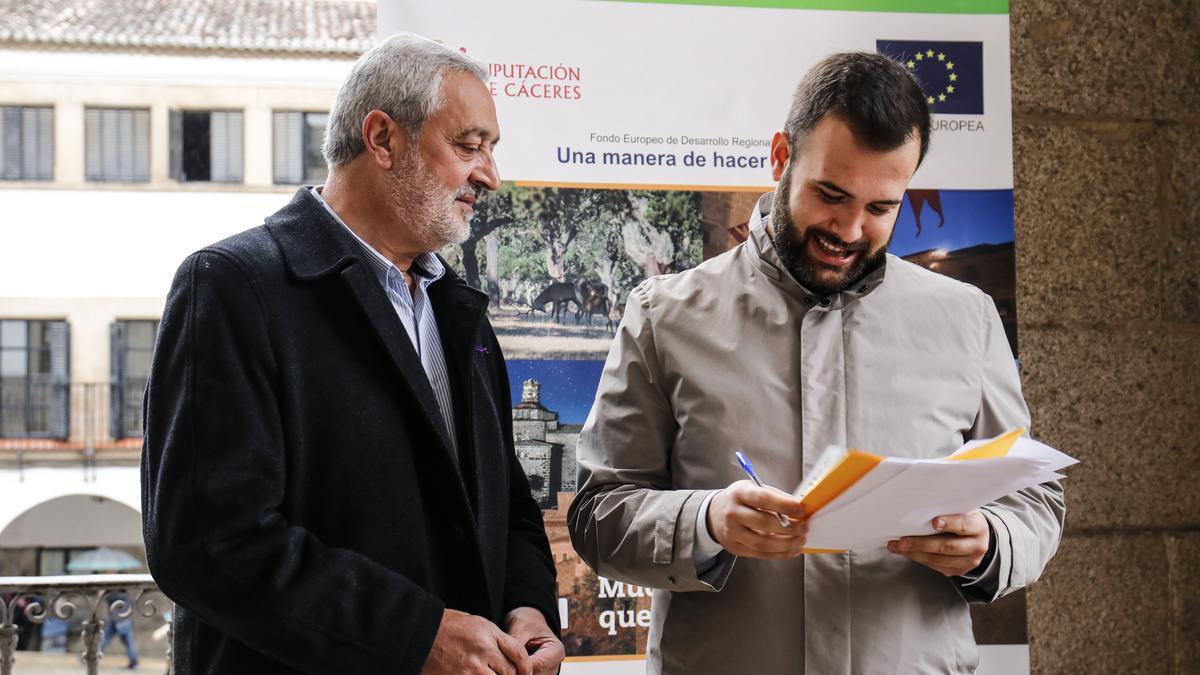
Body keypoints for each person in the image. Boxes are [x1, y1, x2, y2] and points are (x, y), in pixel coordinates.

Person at [567, 52, 1065, 674]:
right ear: (780, 158)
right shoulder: (665, 314)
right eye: (830, 195)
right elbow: (597, 513)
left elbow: (1034, 499)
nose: (851, 228)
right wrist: (706, 521)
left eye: (881, 207)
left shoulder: (966, 317)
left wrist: (991, 542)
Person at [142, 33, 564, 675]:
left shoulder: (459, 311)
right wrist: (418, 636)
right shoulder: (232, 285)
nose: (490, 175)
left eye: (491, 149)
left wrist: (528, 608)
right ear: (383, 139)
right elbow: (207, 543)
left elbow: (506, 505)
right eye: (469, 145)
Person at [100, 592, 138, 670]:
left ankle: (133, 662)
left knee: (106, 639)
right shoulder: (122, 592)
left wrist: (104, 593)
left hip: (120, 620)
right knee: (127, 642)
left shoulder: (114, 593)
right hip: (121, 620)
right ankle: (133, 662)